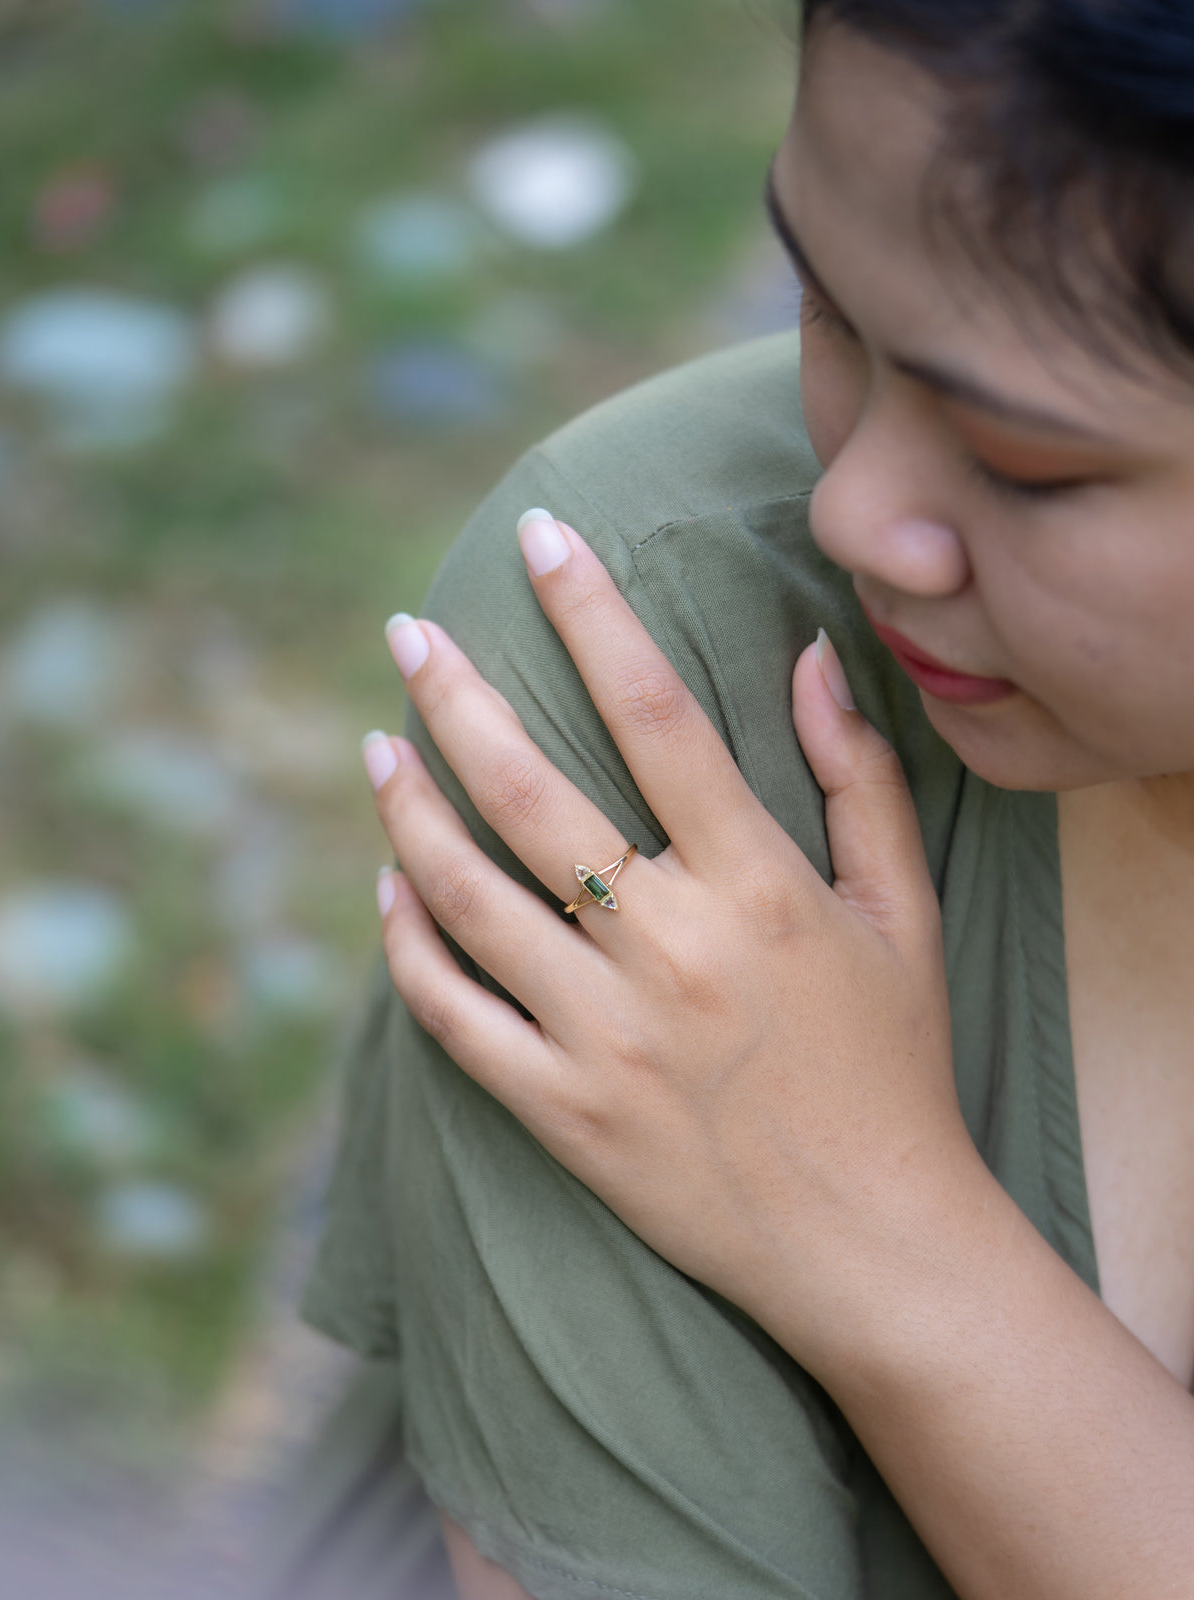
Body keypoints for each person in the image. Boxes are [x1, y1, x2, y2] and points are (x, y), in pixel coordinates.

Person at [283, 3, 1194, 1597]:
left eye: (1028, 464)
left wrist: (890, 1247)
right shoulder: (665, 631)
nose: (851, 510)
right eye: (825, 309)